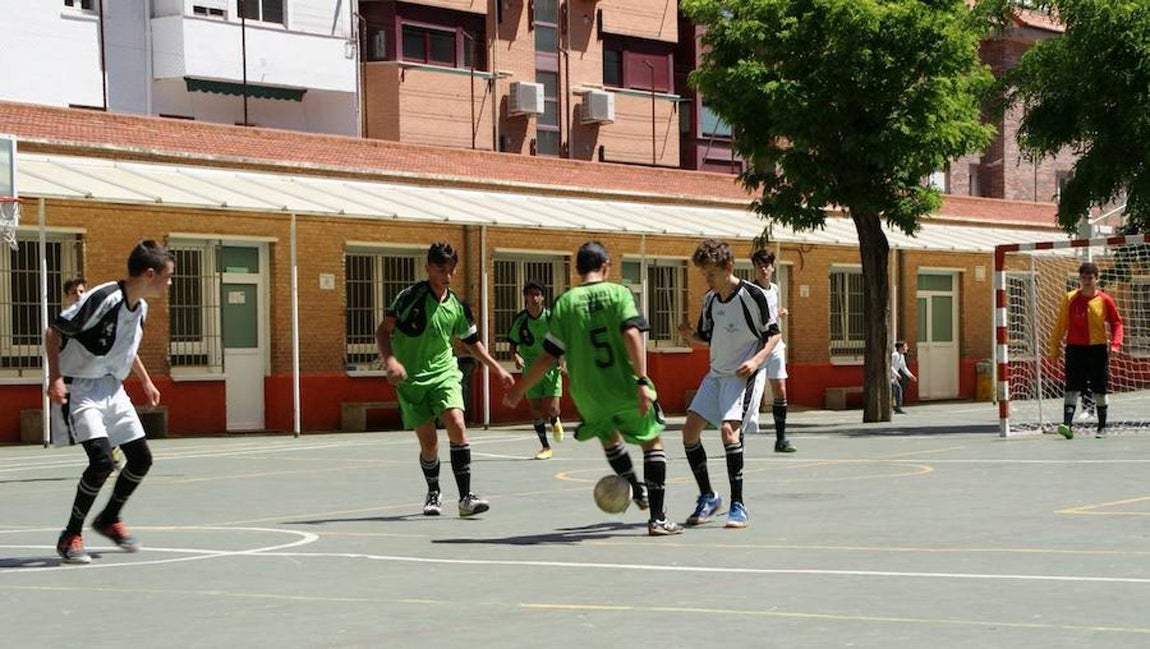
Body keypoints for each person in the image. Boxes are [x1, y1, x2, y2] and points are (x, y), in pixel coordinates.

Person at [504, 241, 683, 536]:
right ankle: (658, 518)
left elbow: (548, 355)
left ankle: (636, 489)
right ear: (606, 266)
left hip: (587, 394)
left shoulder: (565, 303)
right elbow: (631, 333)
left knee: (610, 438)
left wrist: (519, 389)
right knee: (652, 442)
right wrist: (641, 379)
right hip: (622, 386)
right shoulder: (619, 293)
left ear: (577, 270)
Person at [46, 241, 173, 564]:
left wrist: (144, 380)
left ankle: (108, 518)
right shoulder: (104, 299)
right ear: (149, 274)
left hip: (112, 388)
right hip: (82, 388)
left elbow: (125, 349)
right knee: (102, 462)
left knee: (141, 459)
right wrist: (55, 378)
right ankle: (70, 535)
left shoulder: (141, 307)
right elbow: (53, 331)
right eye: (167, 276)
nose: (169, 283)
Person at [377, 241, 514, 517]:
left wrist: (497, 368)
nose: (447, 275)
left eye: (451, 269)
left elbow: (473, 343)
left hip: (445, 374)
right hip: (411, 381)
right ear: (428, 268)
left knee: (457, 424)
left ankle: (466, 498)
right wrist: (391, 361)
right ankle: (434, 491)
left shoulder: (458, 307)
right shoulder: (409, 297)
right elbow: (383, 331)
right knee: (429, 444)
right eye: (441, 268)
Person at [676, 239, 780, 529]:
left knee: (728, 432)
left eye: (710, 274)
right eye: (704, 275)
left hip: (743, 375)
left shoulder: (752, 296)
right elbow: (708, 337)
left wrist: (757, 361)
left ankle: (738, 505)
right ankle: (708, 496)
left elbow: (774, 335)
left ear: (728, 267)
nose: (707, 280)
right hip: (716, 374)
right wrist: (690, 337)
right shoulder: (710, 300)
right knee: (689, 432)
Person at [1048, 261, 1124, 439]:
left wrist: (1115, 344)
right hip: (1075, 348)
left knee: (1099, 388)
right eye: (1083, 278)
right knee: (1072, 386)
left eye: (1090, 278)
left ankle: (1102, 426)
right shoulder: (1070, 298)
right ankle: (1067, 424)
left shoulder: (1105, 300)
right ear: (1079, 279)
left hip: (1097, 349)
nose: (1087, 281)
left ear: (1096, 279)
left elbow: (1117, 323)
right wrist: (1054, 348)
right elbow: (1060, 325)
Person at [507, 280, 564, 460]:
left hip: (551, 366)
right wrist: (515, 356)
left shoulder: (550, 317)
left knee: (553, 408)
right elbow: (513, 343)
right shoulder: (521, 320)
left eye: (537, 294)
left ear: (542, 296)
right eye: (530, 294)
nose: (534, 297)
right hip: (531, 367)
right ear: (525, 297)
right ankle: (545, 446)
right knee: (535, 408)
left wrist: (562, 358)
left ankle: (554, 420)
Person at [750, 249, 796, 453]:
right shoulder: (749, 291)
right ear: (754, 268)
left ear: (773, 267)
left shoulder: (775, 289)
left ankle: (781, 438)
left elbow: (770, 315)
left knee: (780, 389)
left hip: (776, 345)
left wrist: (778, 313)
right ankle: (735, 432)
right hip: (758, 347)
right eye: (760, 265)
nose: (763, 268)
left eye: (767, 265)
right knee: (751, 393)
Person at [890, 341, 917, 414]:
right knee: (893, 392)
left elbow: (903, 367)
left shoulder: (901, 356)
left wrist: (911, 376)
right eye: (905, 346)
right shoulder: (894, 355)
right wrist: (897, 374)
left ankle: (897, 408)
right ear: (901, 348)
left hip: (894, 378)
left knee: (898, 390)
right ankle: (892, 408)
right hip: (890, 377)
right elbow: (890, 366)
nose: (907, 348)